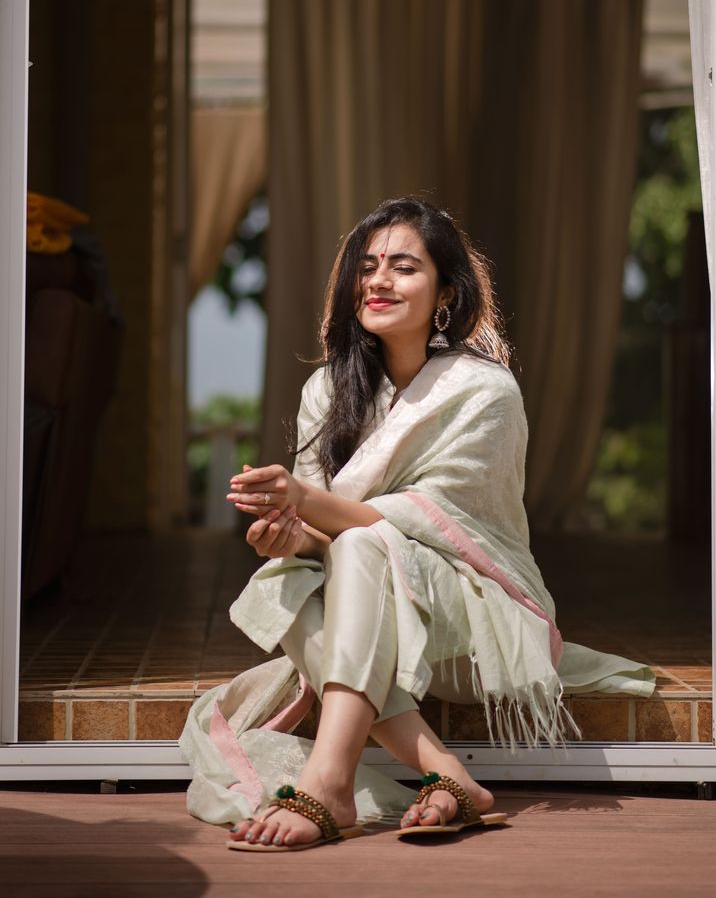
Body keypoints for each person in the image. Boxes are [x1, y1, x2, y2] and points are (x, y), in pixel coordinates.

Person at [180, 197, 654, 852]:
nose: (377, 280)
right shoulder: (327, 391)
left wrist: (308, 504)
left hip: (470, 615)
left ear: (446, 295)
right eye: (367, 266)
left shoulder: (484, 393)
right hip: (370, 610)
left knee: (370, 539)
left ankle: (328, 782)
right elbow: (327, 538)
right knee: (285, 575)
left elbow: (431, 523)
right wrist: (292, 535)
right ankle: (448, 772)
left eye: (402, 267)